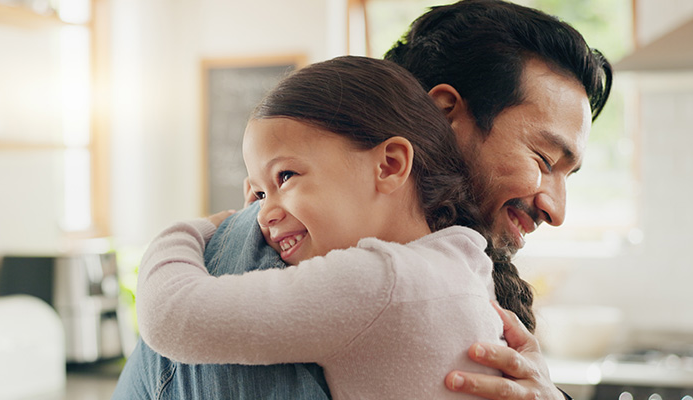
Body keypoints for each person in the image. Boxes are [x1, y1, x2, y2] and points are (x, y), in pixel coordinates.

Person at [113, 0, 612, 398]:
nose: (557, 209)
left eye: (285, 178)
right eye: (544, 160)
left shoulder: (447, 267)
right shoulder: (270, 250)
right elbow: (180, 317)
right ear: (443, 114)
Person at [136, 55, 518, 399]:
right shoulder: (464, 261)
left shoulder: (380, 281)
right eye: (257, 194)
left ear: (389, 164)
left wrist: (192, 229)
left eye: (285, 176)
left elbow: (172, 316)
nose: (261, 214)